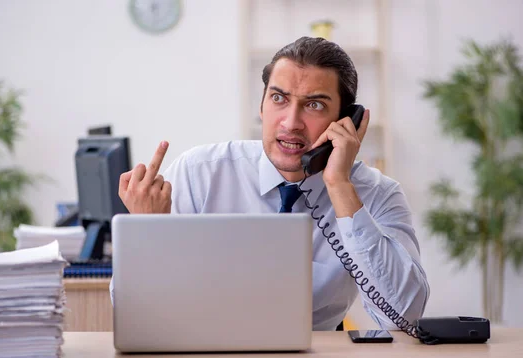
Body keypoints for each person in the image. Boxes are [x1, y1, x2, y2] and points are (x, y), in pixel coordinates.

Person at [111, 37, 429, 331]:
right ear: (261, 106)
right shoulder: (200, 174)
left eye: (314, 105)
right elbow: (134, 311)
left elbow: (403, 317)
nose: (291, 123)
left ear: (346, 122)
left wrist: (339, 186)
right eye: (279, 98)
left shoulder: (377, 193)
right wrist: (146, 231)